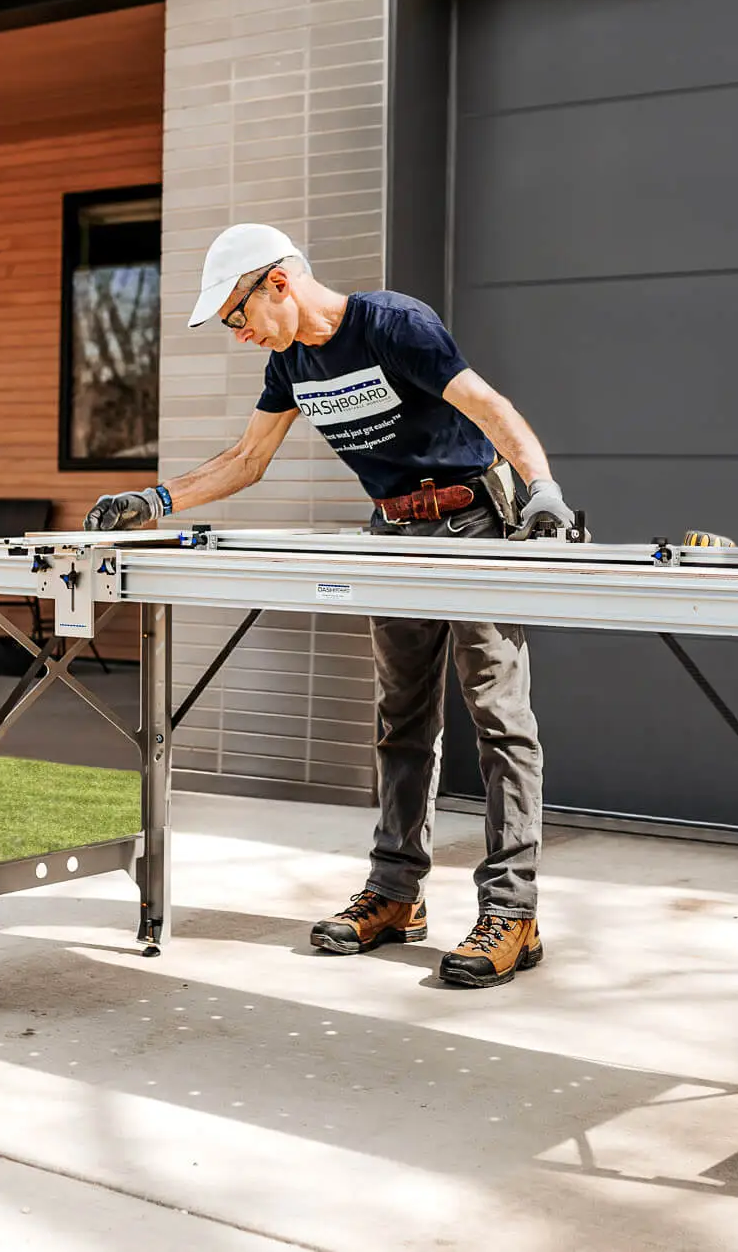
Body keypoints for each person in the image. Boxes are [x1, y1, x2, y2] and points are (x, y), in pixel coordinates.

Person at [86, 224, 576, 988]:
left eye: (237, 313)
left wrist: (541, 486)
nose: (238, 331)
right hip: (392, 536)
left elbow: (486, 405)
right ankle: (394, 893)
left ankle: (513, 912)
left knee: (499, 719)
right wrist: (153, 501)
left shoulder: (393, 324)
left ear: (278, 282)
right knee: (402, 721)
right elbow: (246, 461)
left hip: (475, 520)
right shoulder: (292, 363)